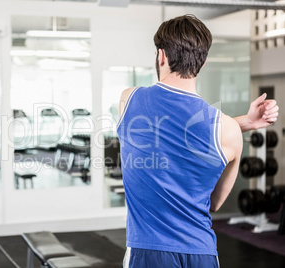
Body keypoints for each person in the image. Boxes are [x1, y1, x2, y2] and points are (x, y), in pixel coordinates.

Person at [117, 15, 279, 268]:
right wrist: (243, 123)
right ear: (202, 63)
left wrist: (244, 122)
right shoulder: (228, 131)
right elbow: (214, 203)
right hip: (201, 253)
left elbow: (170, 129)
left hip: (148, 251)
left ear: (161, 56)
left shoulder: (129, 101)